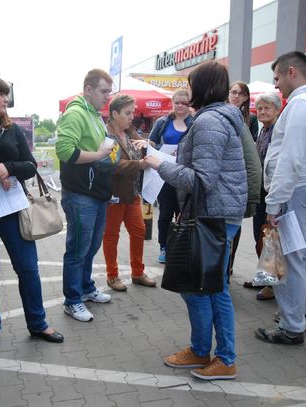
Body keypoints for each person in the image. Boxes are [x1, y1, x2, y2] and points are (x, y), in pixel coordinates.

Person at [144, 61, 247, 380]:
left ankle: (224, 358)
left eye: (192, 84)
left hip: (213, 215)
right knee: (199, 287)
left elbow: (203, 180)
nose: (187, 92)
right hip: (210, 212)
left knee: (212, 289)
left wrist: (160, 164)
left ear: (202, 88)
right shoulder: (215, 118)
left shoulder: (210, 122)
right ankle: (201, 349)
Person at [0, 75, 63, 351]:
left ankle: (38, 323)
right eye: (1, 94)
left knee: (28, 269)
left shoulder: (12, 130)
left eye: (7, 95)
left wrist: (9, 168)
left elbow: (30, 166)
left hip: (13, 210)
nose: (6, 100)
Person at [255, 51, 306, 345]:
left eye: (277, 78)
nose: (277, 86)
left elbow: (290, 158)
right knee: (303, 252)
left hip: (295, 190)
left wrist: (274, 202)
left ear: (292, 72)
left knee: (288, 258)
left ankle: (292, 325)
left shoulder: (302, 104)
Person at [55, 69, 114, 322]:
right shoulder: (76, 113)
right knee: (78, 249)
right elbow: (64, 151)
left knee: (90, 247)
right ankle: (72, 300)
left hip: (96, 192)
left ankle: (86, 288)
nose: (107, 98)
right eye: (103, 92)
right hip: (80, 194)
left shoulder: (95, 114)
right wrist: (101, 154)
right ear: (88, 90)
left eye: (109, 92)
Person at [102, 94, 156, 292]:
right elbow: (114, 165)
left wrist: (149, 146)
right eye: (127, 113)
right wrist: (140, 164)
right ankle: (112, 275)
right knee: (111, 236)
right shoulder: (106, 135)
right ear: (114, 113)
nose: (132, 116)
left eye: (132, 112)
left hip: (132, 193)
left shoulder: (130, 131)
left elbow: (146, 148)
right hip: (113, 194)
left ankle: (137, 272)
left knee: (139, 230)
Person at [242, 92, 283, 300]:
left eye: (267, 108)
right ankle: (264, 278)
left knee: (270, 240)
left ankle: (272, 285)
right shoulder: (263, 131)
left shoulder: (279, 132)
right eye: (259, 109)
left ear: (277, 110)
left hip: (272, 194)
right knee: (262, 238)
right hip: (261, 193)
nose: (262, 112)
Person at [148, 89, 193, 263]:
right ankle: (164, 247)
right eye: (177, 102)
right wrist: (154, 146)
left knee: (184, 213)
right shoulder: (163, 122)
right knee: (166, 213)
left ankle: (181, 248)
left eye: (185, 102)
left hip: (185, 174)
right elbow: (152, 141)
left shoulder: (194, 123)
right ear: (172, 103)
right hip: (165, 174)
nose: (181, 106)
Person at [226, 81, 260, 279]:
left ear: (246, 97)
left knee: (234, 228)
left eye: (240, 93)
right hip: (232, 179)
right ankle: (225, 268)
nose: (236, 96)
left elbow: (251, 152)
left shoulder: (250, 119)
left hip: (241, 177)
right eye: (233, 92)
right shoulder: (222, 113)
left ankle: (229, 266)